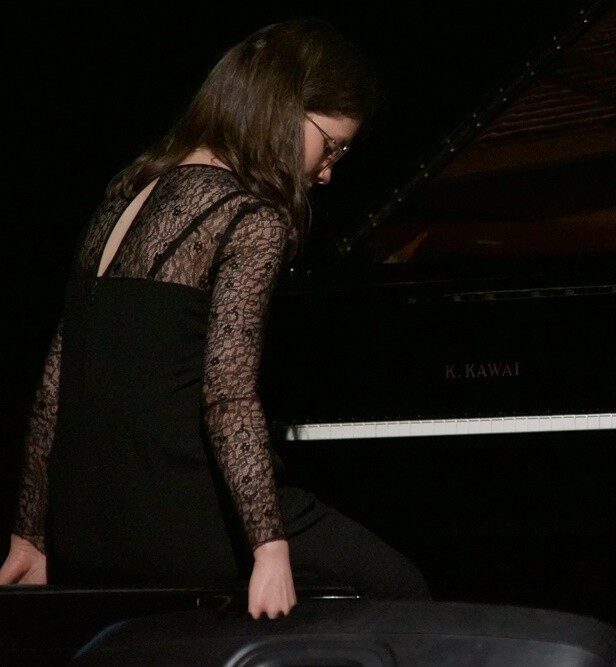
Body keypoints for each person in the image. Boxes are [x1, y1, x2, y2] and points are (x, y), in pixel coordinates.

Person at [0, 18, 429, 619]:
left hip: (84, 527)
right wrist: (269, 548)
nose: (328, 171)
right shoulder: (250, 217)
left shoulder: (123, 197)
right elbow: (227, 395)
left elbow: (54, 384)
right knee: (399, 588)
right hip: (176, 520)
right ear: (284, 109)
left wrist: (31, 535)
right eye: (331, 145)